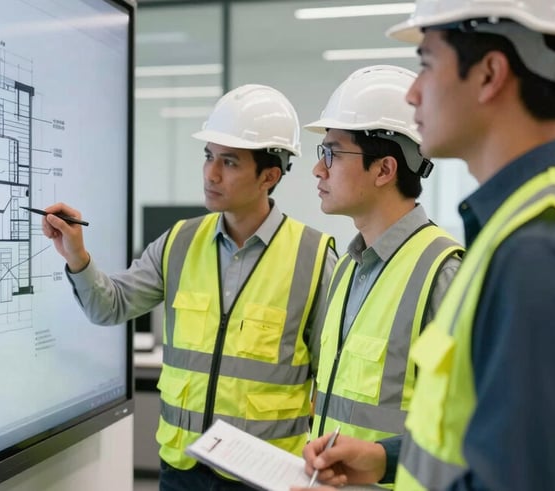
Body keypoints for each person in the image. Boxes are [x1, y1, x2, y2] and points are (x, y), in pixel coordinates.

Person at [296, 1, 555, 490]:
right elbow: (474, 438)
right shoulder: (533, 221)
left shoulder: (538, 250)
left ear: (490, 73)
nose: (412, 92)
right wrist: (384, 459)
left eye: (427, 63)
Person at [41, 84, 337, 491]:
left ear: (269, 176)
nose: (211, 174)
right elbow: (109, 307)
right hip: (180, 471)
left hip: (264, 478)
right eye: (209, 156)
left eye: (229, 162)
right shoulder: (178, 243)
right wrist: (76, 255)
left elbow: (330, 383)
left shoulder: (314, 258)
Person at [304, 65, 463, 450]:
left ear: (385, 169)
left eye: (331, 153)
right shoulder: (346, 268)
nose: (317, 169)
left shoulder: (444, 273)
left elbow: (462, 427)